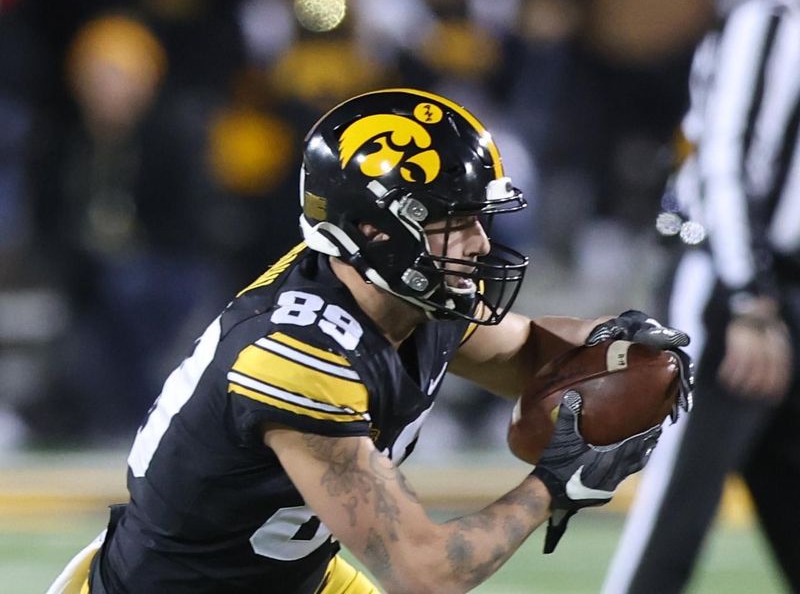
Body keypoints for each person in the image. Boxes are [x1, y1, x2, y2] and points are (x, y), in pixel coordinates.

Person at [48, 89, 691, 594]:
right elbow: (425, 573)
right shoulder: (299, 359)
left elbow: (524, 352)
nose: (481, 244)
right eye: (454, 221)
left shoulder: (402, 288)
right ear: (373, 228)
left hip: (295, 577)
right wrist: (554, 483)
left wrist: (620, 347)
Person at [602, 0, 800, 592]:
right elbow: (724, 161)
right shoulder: (769, 21)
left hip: (776, 292)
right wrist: (750, 297)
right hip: (735, 289)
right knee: (679, 510)